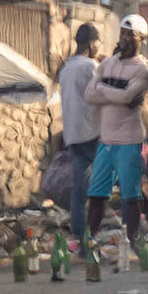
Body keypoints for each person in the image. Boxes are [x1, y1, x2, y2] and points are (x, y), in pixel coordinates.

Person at [84, 14, 148, 252]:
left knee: (131, 196)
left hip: (129, 140)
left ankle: (131, 242)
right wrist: (111, 90)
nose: (124, 37)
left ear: (142, 38)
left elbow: (125, 97)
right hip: (106, 140)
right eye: (122, 32)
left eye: (130, 34)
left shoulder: (143, 69)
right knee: (97, 193)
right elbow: (89, 95)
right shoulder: (108, 64)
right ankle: (89, 241)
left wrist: (103, 88)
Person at [60, 23, 102, 248]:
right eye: (97, 43)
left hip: (72, 134)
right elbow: (102, 94)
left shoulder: (67, 67)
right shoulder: (89, 66)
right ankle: (93, 232)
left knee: (80, 188)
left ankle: (79, 234)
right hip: (91, 132)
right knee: (104, 183)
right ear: (91, 44)